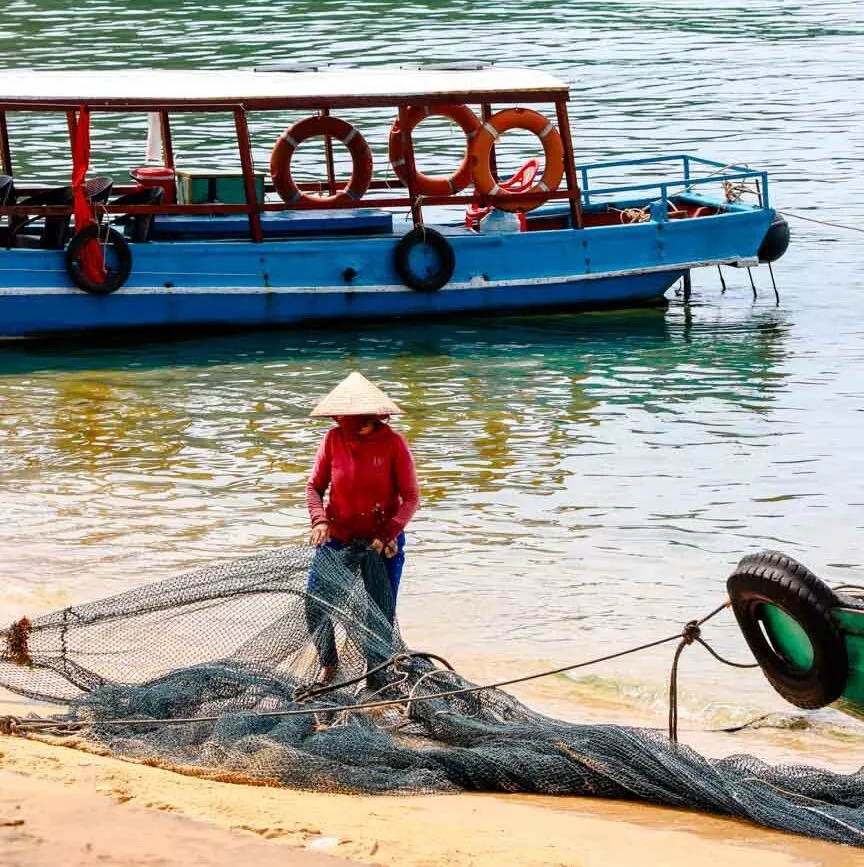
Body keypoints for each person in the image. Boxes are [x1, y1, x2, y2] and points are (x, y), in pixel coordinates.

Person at [305, 371, 420, 683]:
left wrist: (389, 533)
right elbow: (314, 487)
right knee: (315, 606)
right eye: (340, 416)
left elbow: (411, 498)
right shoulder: (333, 439)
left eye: (350, 417)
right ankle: (330, 666)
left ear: (369, 417)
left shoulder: (394, 444)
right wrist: (320, 520)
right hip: (338, 539)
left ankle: (376, 677)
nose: (343, 422)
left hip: (381, 544)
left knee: (379, 614)